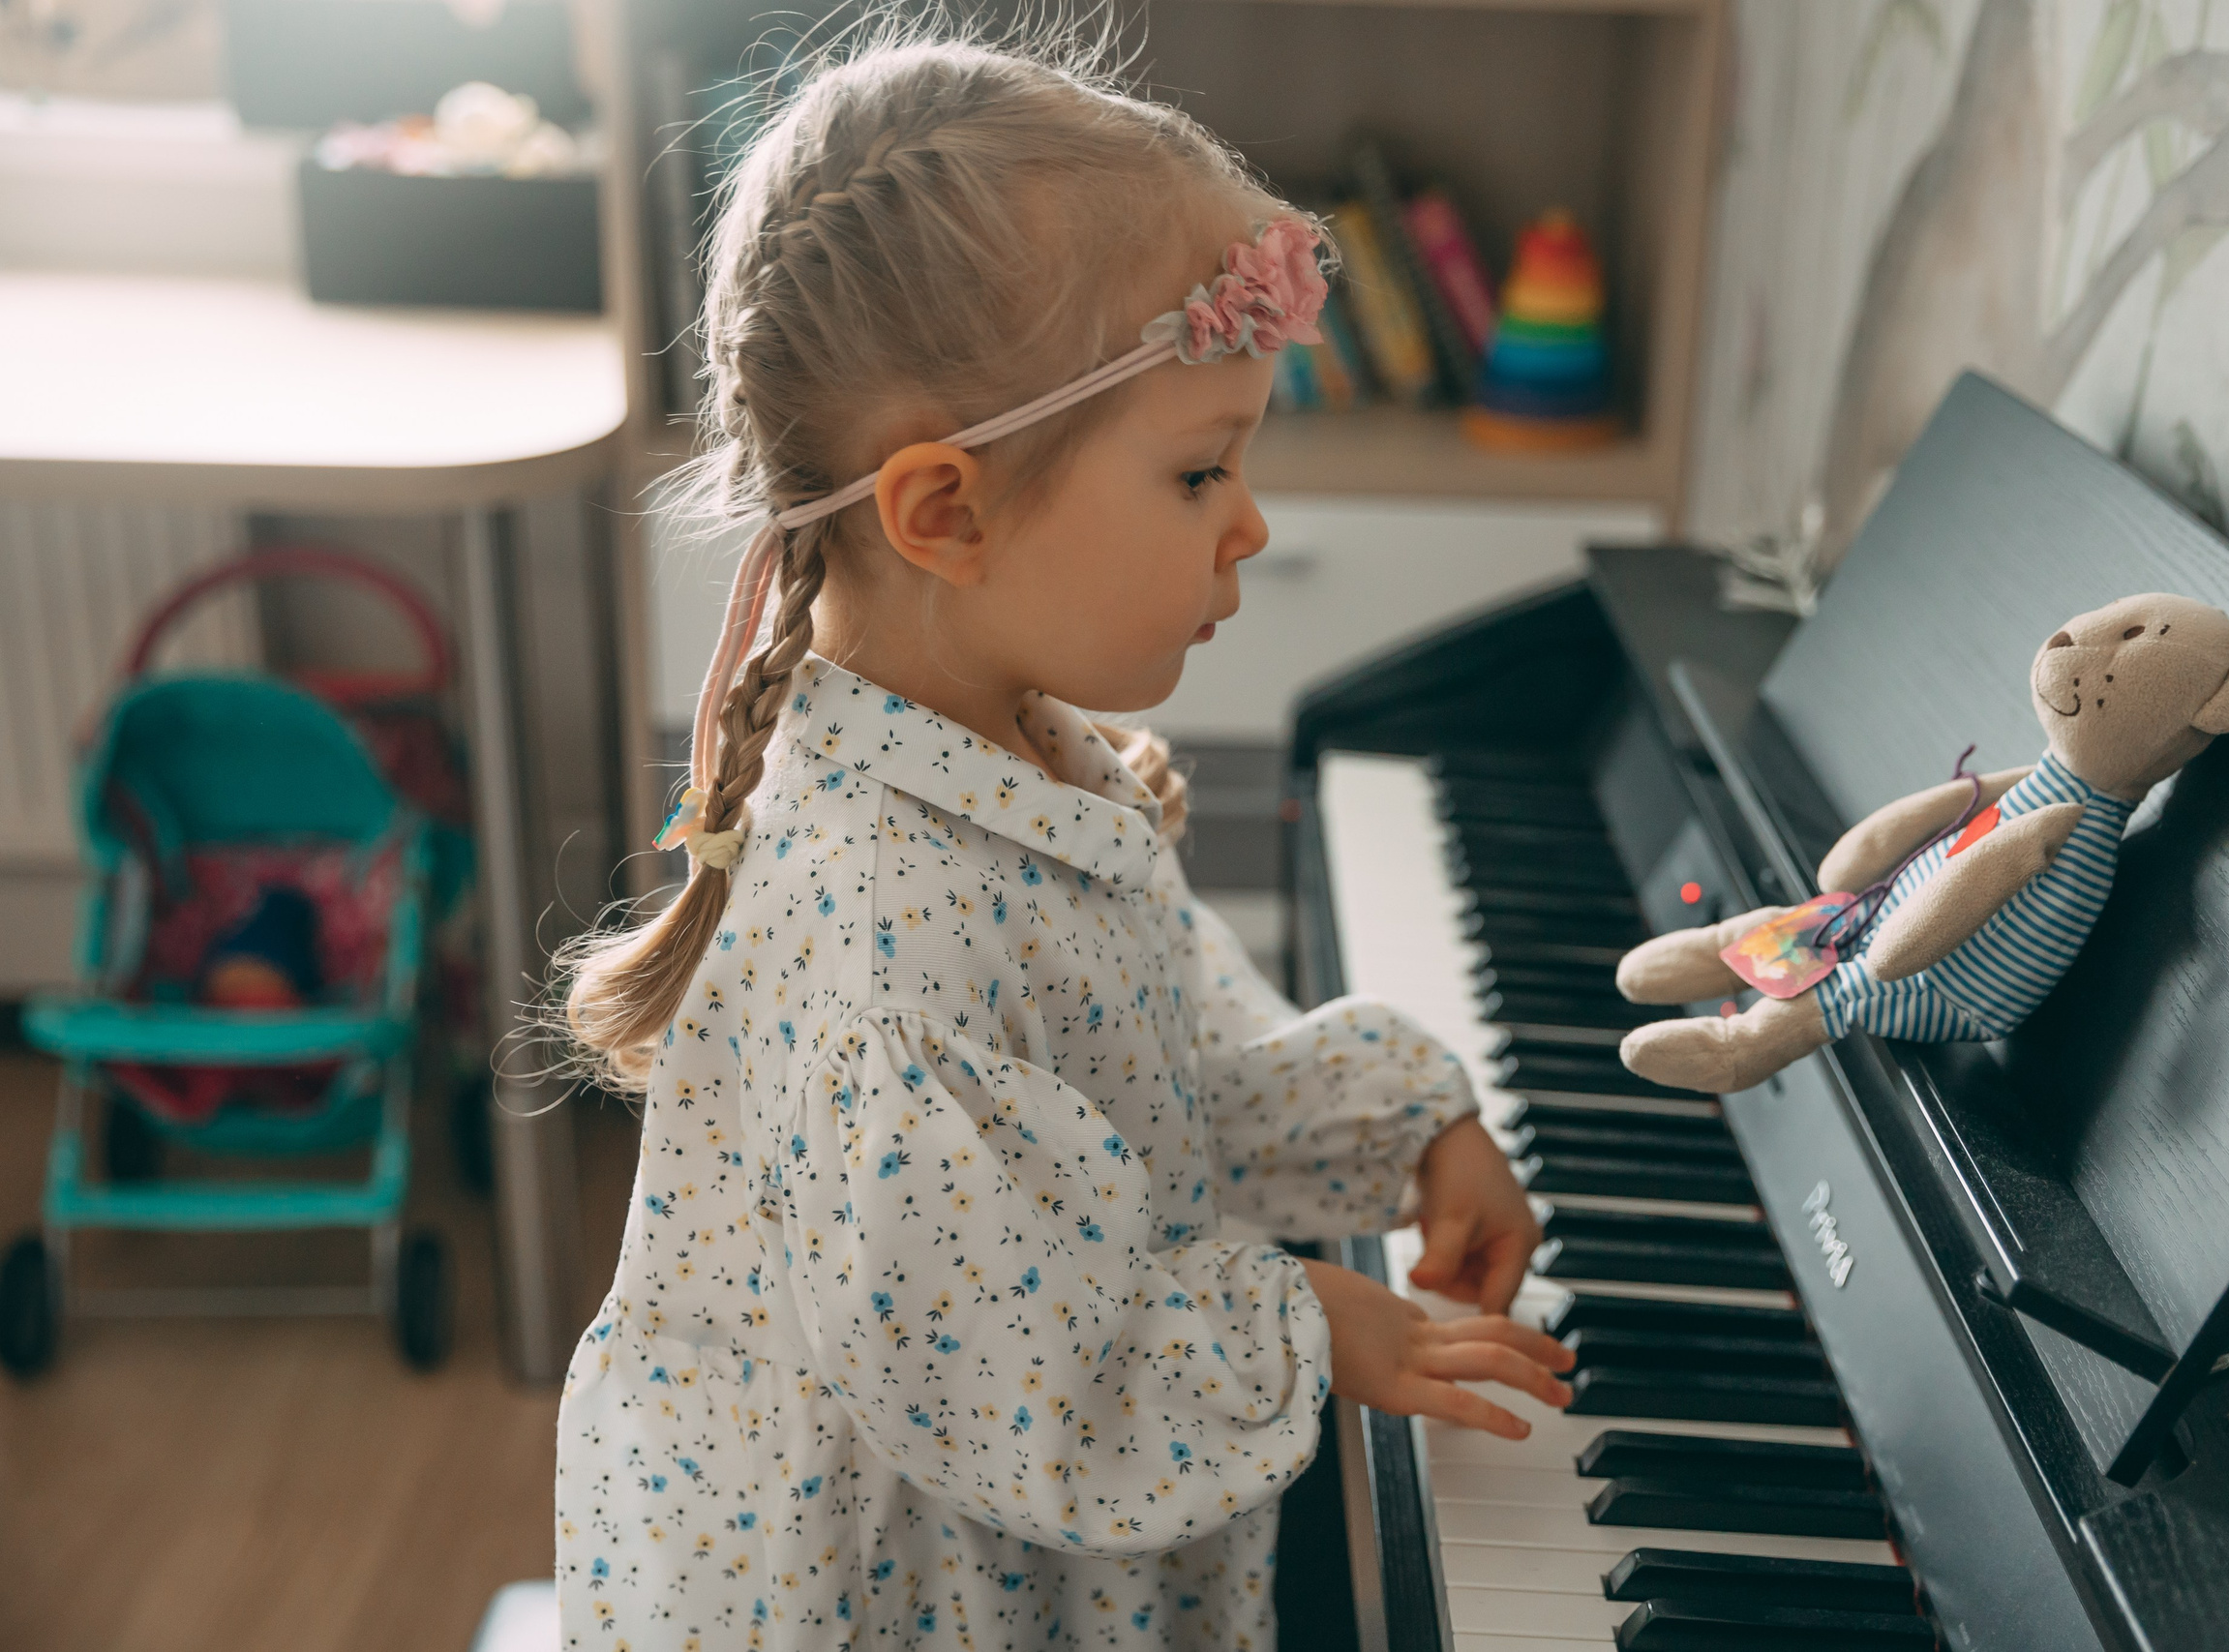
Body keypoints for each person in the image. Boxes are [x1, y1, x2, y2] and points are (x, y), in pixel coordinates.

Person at [553, 22, 1572, 1649]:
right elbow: (1025, 1369)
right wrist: (1314, 1327)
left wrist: (1402, 1120)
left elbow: (1143, 1082)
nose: (1252, 521)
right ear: (944, 512)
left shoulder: (1014, 752)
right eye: (1198, 473)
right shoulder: (888, 947)